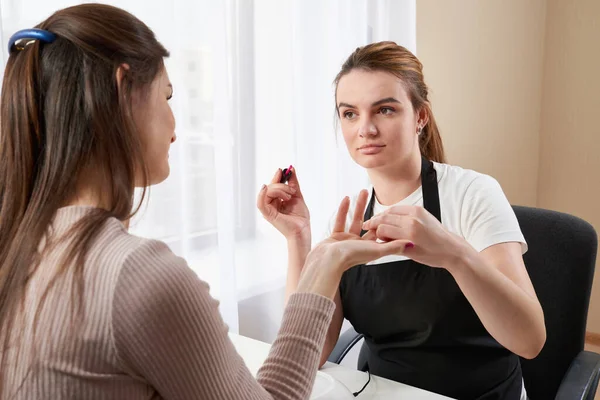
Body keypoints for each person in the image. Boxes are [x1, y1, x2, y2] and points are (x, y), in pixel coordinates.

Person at [0, 6, 413, 399]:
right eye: (166, 96)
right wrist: (323, 264)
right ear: (123, 92)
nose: (175, 126)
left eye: (385, 110)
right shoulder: (137, 275)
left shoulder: (19, 245)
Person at [258, 41, 546, 400]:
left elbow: (530, 340)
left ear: (420, 117)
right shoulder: (348, 219)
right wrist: (299, 240)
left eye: (385, 110)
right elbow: (309, 355)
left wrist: (453, 254)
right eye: (349, 114)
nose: (365, 129)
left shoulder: (473, 194)